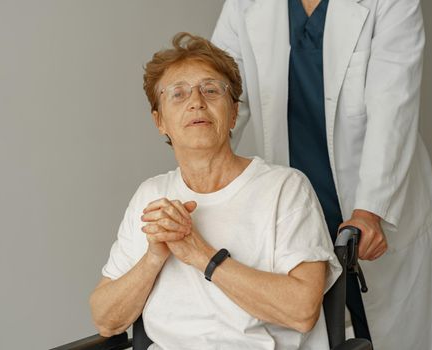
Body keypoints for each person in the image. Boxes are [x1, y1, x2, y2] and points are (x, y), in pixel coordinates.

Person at [211, 0, 432, 349]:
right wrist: (201, 182)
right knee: (308, 329)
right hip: (294, 202)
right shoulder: (245, 5)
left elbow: (393, 106)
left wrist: (370, 209)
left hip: (373, 200)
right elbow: (219, 91)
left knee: (390, 332)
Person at [90, 32, 343, 349]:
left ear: (234, 112)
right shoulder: (150, 195)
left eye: (210, 90)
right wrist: (154, 256)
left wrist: (202, 256)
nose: (196, 101)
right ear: (160, 121)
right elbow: (105, 318)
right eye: (178, 94)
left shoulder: (284, 188)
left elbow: (302, 311)